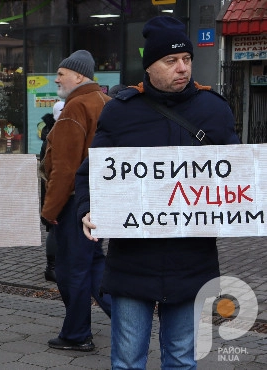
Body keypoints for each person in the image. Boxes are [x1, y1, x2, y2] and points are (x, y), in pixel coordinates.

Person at [76, 16, 240, 369]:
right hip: (133, 260)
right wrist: (87, 209)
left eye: (187, 60)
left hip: (190, 261)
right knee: (127, 361)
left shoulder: (215, 111)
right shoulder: (120, 113)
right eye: (171, 61)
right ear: (149, 66)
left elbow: (236, 175)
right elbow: (91, 173)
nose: (182, 68)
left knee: (182, 359)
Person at [41, 50, 112, 351]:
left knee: (72, 270)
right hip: (100, 201)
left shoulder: (75, 107)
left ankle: (77, 334)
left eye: (61, 73)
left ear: (79, 76)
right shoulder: (105, 103)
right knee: (95, 267)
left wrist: (50, 211)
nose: (56, 78)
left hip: (74, 204)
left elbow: (65, 168)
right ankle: (127, 319)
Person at [39, 100, 64, 282]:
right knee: (54, 229)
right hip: (53, 189)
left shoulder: (56, 132)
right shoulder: (53, 135)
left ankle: (56, 264)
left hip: (56, 188)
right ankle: (52, 266)